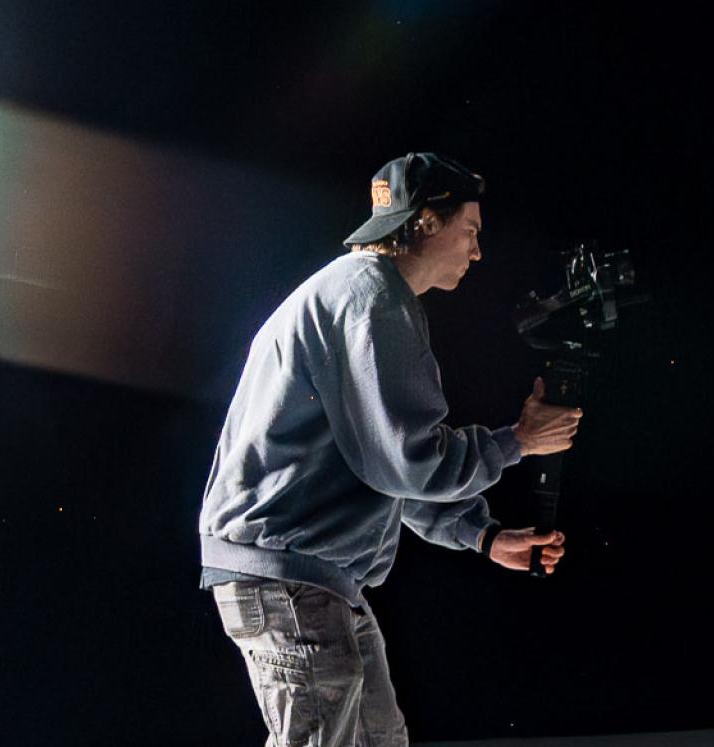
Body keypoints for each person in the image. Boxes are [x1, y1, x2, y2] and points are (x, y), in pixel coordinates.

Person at [198, 153, 582, 747]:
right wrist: (519, 441)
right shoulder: (373, 301)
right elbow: (410, 461)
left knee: (381, 739)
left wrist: (482, 536)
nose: (477, 252)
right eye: (470, 231)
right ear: (426, 222)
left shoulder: (361, 294)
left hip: (316, 578)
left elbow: (384, 466)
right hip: (290, 576)